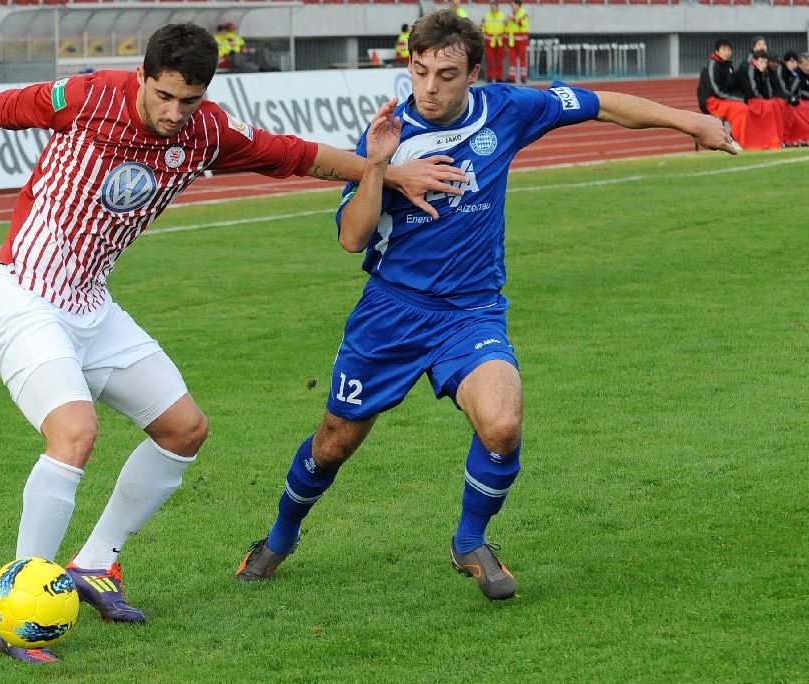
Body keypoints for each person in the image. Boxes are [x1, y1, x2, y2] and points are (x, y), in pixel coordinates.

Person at [0, 22, 465, 664]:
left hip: (90, 306)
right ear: (144, 76)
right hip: (23, 296)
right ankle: (17, 610)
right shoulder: (87, 96)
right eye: (163, 96)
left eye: (187, 101)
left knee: (184, 429)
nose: (173, 114)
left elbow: (301, 155)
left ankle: (94, 565)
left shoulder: (208, 132)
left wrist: (387, 173)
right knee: (75, 434)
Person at [235, 9, 739, 602]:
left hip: (471, 313)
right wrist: (382, 169)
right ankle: (279, 536)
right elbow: (352, 238)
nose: (429, 87)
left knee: (502, 423)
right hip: (390, 313)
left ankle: (469, 540)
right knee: (334, 444)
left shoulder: (508, 109)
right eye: (420, 71)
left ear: (473, 72)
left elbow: (600, 102)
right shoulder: (390, 135)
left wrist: (689, 121)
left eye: (446, 74)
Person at [697, 39, 779, 151]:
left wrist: (740, 97)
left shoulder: (729, 66)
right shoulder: (712, 66)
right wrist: (739, 99)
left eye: (729, 49)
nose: (727, 52)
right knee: (740, 109)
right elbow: (716, 90)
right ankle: (736, 140)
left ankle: (755, 140)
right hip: (712, 101)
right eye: (724, 49)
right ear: (717, 51)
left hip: (726, 100)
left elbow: (735, 87)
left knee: (748, 107)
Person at [480, 1, 506, 83]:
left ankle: (499, 78)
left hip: (499, 41)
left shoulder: (503, 16)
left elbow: (506, 28)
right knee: (490, 60)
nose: (492, 8)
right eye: (491, 7)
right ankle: (490, 77)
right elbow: (483, 28)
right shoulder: (486, 16)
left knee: (499, 61)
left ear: (497, 7)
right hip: (489, 41)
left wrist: (504, 39)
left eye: (494, 6)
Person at [505, 0, 529, 84]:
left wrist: (512, 18)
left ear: (518, 5)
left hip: (522, 40)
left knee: (522, 59)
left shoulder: (523, 13)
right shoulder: (512, 14)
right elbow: (509, 27)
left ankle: (523, 78)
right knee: (512, 59)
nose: (512, 6)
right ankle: (512, 78)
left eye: (513, 5)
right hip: (513, 41)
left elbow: (521, 23)